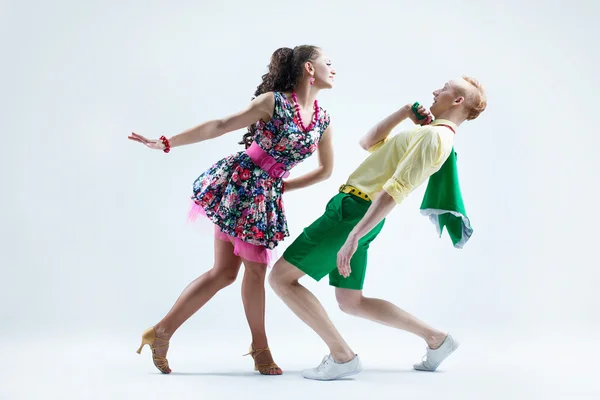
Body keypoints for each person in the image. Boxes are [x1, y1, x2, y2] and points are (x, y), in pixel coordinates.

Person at [129, 45, 336, 375]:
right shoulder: (274, 102)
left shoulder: (322, 119)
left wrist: (280, 187)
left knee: (225, 273)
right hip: (239, 183)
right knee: (250, 272)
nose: (334, 69)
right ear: (310, 69)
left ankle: (160, 332)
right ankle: (261, 349)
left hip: (263, 194)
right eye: (328, 63)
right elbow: (220, 125)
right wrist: (166, 142)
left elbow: (326, 170)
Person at [268, 76, 487, 380]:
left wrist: (354, 235)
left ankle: (342, 356)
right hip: (359, 213)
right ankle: (437, 339)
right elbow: (367, 143)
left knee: (280, 279)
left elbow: (395, 191)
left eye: (444, 89)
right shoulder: (429, 133)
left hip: (353, 214)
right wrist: (403, 113)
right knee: (351, 301)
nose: (435, 91)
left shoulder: (433, 139)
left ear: (458, 101)